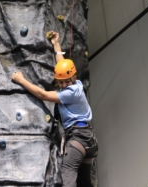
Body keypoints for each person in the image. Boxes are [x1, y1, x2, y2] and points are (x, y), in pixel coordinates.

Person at [11, 31, 98, 187]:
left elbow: (42, 94)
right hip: (88, 140)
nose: (63, 85)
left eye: (65, 82)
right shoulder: (76, 84)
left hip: (78, 138)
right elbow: (62, 65)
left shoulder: (70, 93)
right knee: (84, 182)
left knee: (68, 171)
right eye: (60, 82)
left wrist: (22, 80)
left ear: (72, 78)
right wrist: (56, 44)